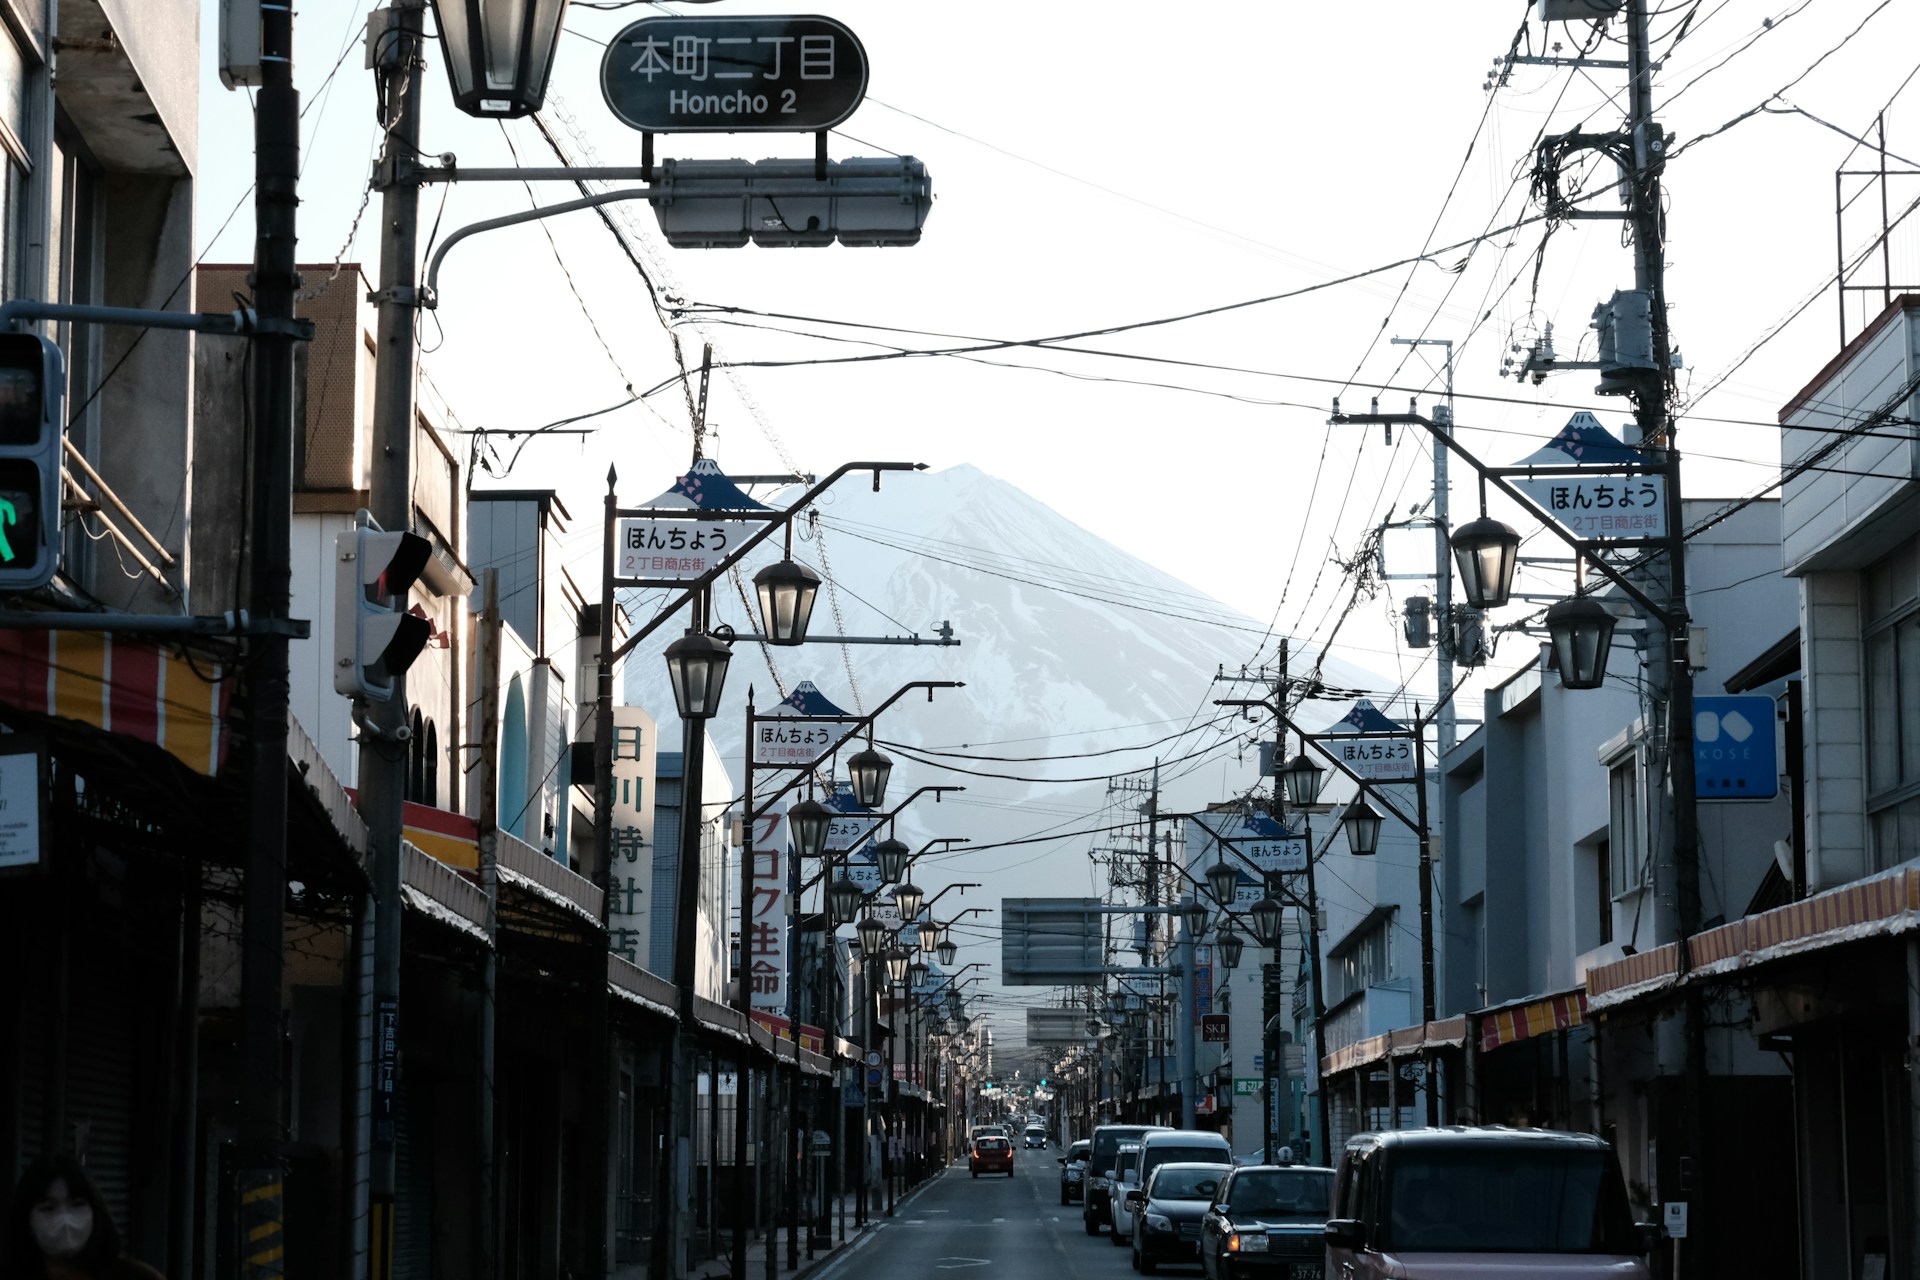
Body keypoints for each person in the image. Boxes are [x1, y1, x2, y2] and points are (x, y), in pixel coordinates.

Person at [4, 1154, 164, 1280]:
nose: (65, 1220)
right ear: (27, 1221)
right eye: (48, 1208)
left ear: (95, 1211)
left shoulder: (137, 1277)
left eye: (76, 1204)